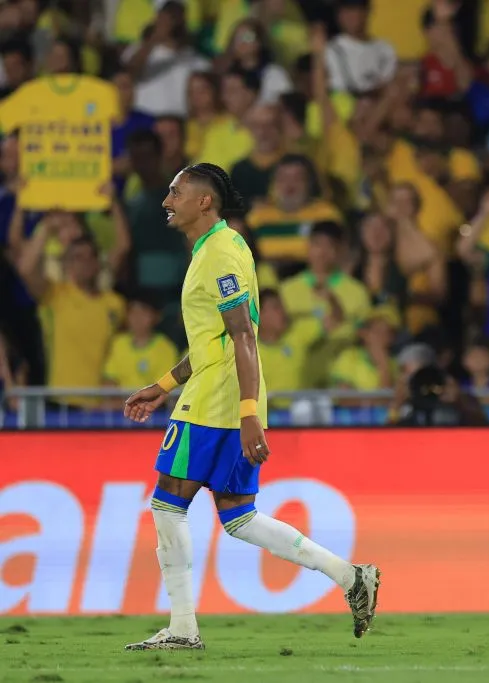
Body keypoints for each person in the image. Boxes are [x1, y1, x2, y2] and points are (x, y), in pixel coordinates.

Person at [120, 163, 379, 650]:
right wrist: (163, 384)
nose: (166, 200)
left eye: (176, 191)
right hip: (223, 391)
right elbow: (214, 340)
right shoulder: (225, 244)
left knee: (166, 504)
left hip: (216, 400)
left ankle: (181, 629)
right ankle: (351, 577)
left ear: (204, 202)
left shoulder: (218, 253)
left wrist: (247, 415)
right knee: (239, 516)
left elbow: (243, 336)